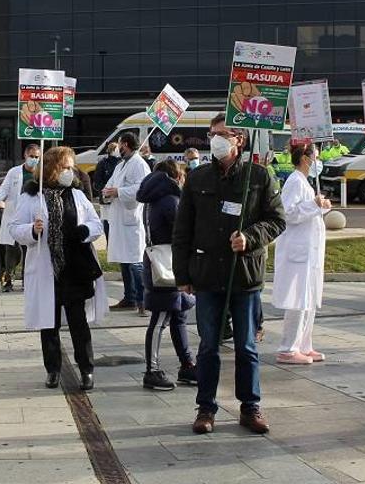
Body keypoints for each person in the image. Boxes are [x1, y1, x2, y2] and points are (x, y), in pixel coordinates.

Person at [172, 114, 285, 436]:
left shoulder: (258, 176)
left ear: (240, 140)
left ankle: (250, 407)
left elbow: (277, 220)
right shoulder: (197, 178)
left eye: (222, 134)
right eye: (211, 134)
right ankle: (206, 407)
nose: (215, 140)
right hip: (206, 274)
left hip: (245, 275)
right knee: (208, 346)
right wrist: (182, 274)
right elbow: (183, 230)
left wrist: (250, 236)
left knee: (246, 347)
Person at [8, 146, 106, 391]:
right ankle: (53, 369)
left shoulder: (78, 195)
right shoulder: (32, 197)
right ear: (52, 168)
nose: (70, 172)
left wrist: (86, 231)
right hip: (45, 270)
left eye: (71, 167)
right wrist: (32, 230)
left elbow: (96, 223)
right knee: (49, 324)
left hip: (74, 269)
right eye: (65, 167)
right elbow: (15, 228)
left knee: (78, 323)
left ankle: (87, 369)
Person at [137, 160, 196, 390]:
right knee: (161, 318)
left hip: (163, 261)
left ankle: (187, 363)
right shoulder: (169, 199)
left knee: (178, 314)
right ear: (175, 176)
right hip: (168, 264)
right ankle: (152, 370)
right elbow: (181, 232)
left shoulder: (152, 199)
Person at [273, 144, 331, 365]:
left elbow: (308, 210)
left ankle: (304, 344)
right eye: (315, 157)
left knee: (309, 300)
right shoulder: (295, 181)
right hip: (297, 252)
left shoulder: (304, 182)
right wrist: (314, 205)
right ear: (306, 159)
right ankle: (288, 348)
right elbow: (288, 213)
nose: (318, 161)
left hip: (309, 251)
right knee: (298, 301)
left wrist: (320, 206)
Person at [104, 132, 151, 313]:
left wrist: (119, 192)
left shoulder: (139, 164)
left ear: (126, 144)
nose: (118, 148)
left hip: (132, 219)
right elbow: (110, 184)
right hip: (118, 218)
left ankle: (142, 300)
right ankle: (129, 297)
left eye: (120, 145)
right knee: (124, 261)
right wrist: (107, 191)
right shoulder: (121, 165)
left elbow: (142, 188)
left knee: (134, 262)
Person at [0, 143, 39, 291]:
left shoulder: (41, 173)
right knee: (11, 248)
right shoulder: (14, 172)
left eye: (37, 157)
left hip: (32, 216)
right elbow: (4, 189)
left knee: (30, 249)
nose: (34, 159)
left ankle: (27, 280)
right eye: (31, 156)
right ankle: (8, 280)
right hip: (14, 214)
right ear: (25, 155)